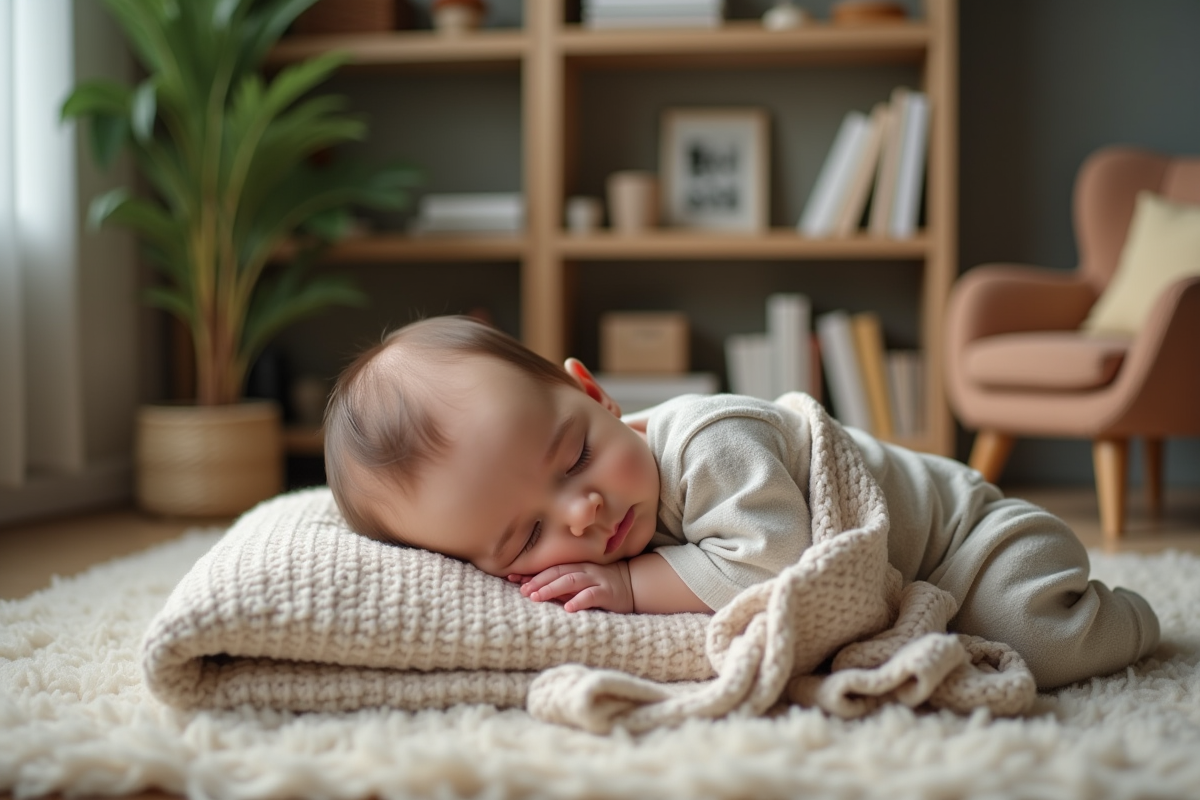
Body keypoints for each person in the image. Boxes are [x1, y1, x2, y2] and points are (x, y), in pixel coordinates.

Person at [323, 315, 1160, 690]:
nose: (579, 512)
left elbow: (775, 561)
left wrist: (628, 588)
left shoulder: (707, 442)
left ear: (596, 394)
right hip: (924, 573)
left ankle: (1135, 619)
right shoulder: (600, 505)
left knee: (1031, 636)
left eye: (575, 454)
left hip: (973, 539)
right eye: (524, 537)